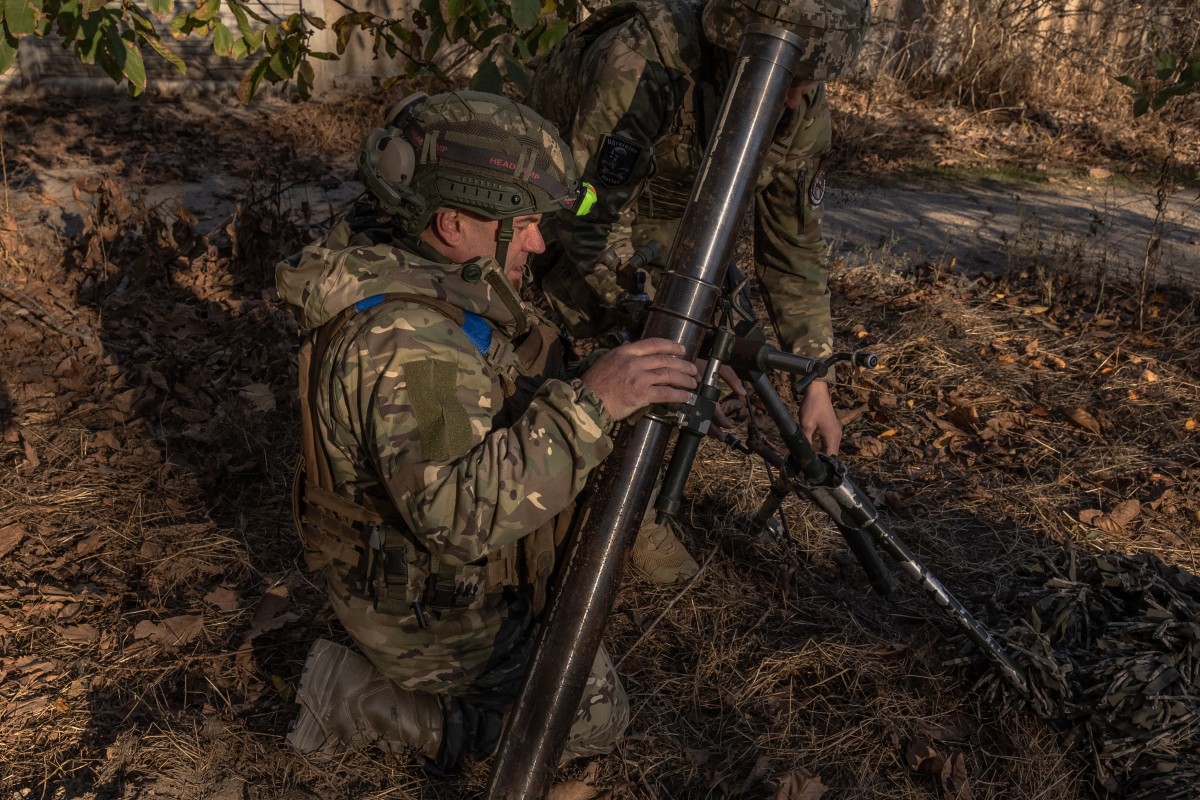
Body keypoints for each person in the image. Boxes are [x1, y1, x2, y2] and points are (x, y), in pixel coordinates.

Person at [275, 91, 700, 774]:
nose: (537, 241)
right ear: (450, 224)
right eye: (523, 223)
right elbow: (457, 518)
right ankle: (356, 696)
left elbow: (496, 381)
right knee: (592, 720)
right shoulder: (412, 343)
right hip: (425, 608)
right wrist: (592, 406)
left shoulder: (416, 270)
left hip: (414, 569)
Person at [526, 0, 871, 457]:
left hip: (671, 224)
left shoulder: (800, 103)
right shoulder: (643, 61)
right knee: (564, 347)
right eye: (789, 79)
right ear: (733, 47)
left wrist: (816, 378)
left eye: (806, 82)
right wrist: (669, 332)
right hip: (560, 204)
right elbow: (586, 213)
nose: (793, 99)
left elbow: (795, 250)